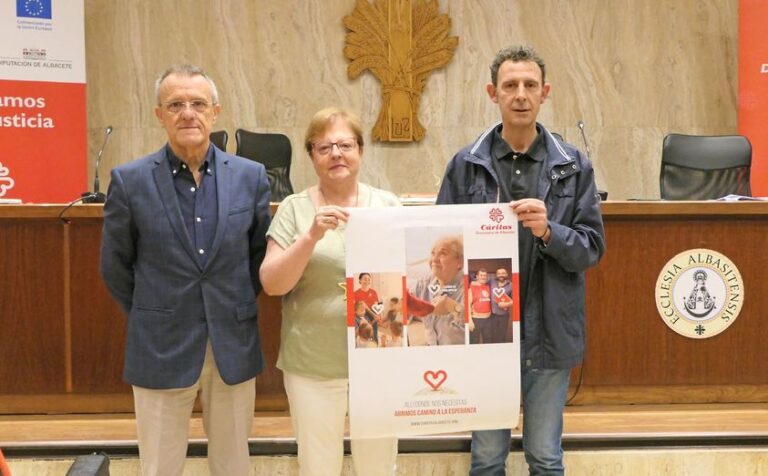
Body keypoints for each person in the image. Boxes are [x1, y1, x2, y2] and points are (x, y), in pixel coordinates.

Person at [436, 45, 606, 475]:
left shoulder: (573, 165)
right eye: (510, 85)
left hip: (548, 331)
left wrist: (549, 231)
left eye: (530, 85)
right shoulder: (465, 164)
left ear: (545, 92)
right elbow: (442, 241)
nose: (520, 95)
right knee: (487, 458)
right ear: (492, 93)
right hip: (485, 333)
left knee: (545, 457)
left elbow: (590, 249)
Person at [100, 64, 271, 476]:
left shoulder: (250, 177)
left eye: (198, 103)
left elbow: (258, 257)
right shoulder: (129, 180)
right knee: (159, 466)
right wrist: (153, 312)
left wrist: (229, 304)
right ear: (159, 114)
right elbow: (115, 265)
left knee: (233, 466)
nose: (188, 113)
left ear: (215, 111)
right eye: (175, 104)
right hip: (160, 343)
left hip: (232, 341)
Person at [259, 107, 399, 475]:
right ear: (311, 155)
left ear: (360, 150)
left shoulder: (387, 206)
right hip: (313, 364)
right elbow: (272, 283)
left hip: (379, 363)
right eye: (324, 147)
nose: (336, 154)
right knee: (318, 466)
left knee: (379, 467)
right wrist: (310, 237)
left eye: (345, 145)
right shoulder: (294, 209)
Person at [409, 235, 465, 346]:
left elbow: (475, 325)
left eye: (443, 253)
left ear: (459, 262)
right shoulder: (423, 284)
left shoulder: (467, 286)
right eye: (433, 253)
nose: (434, 259)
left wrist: (454, 308)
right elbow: (405, 301)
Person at [354, 272, 382, 342]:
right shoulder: (355, 294)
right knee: (364, 336)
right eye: (365, 279)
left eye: (369, 279)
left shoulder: (374, 292)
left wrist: (378, 315)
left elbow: (377, 305)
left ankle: (375, 345)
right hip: (362, 316)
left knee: (374, 335)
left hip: (373, 315)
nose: (367, 281)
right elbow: (357, 308)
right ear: (360, 280)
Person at [468, 268, 493, 344]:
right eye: (481, 275)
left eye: (484, 275)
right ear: (477, 276)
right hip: (476, 319)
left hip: (488, 319)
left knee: (488, 341)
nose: (483, 277)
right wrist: (470, 321)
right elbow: (468, 305)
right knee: (474, 342)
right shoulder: (471, 288)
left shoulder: (489, 287)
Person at [490, 267, 514, 342]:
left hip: (504, 315)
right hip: (491, 314)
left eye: (503, 273)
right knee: (491, 335)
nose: (501, 275)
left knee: (501, 335)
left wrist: (506, 304)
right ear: (496, 275)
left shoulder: (511, 285)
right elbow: (480, 282)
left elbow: (516, 300)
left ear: (507, 274)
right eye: (499, 273)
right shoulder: (491, 281)